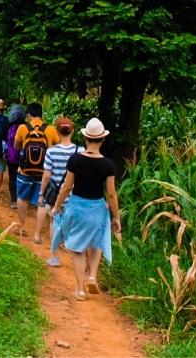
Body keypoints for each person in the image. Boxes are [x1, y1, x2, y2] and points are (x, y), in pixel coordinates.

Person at [49, 117, 121, 300]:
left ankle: (80, 289)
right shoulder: (108, 164)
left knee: (78, 248)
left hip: (77, 206)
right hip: (97, 208)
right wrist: (116, 217)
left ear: (86, 138)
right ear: (102, 140)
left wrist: (57, 206)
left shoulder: (75, 160)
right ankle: (92, 276)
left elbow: (66, 187)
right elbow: (111, 194)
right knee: (96, 242)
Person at [13, 102, 61, 235]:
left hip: (25, 170)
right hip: (44, 171)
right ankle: (37, 234)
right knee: (42, 201)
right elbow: (57, 145)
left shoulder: (23, 128)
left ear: (28, 115)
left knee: (22, 197)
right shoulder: (50, 129)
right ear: (42, 114)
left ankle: (23, 227)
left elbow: (17, 146)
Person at [38, 116, 81, 256]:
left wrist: (41, 193)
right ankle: (67, 244)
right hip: (74, 194)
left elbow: (46, 175)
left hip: (56, 193)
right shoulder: (80, 151)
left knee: (54, 219)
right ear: (72, 131)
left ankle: (54, 253)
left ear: (57, 132)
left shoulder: (51, 151)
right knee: (70, 220)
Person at [3, 104, 27, 210]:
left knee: (12, 178)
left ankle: (14, 200)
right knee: (22, 178)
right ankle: (22, 199)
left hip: (11, 157)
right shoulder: (26, 127)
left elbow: (4, 142)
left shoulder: (8, 127)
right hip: (23, 158)